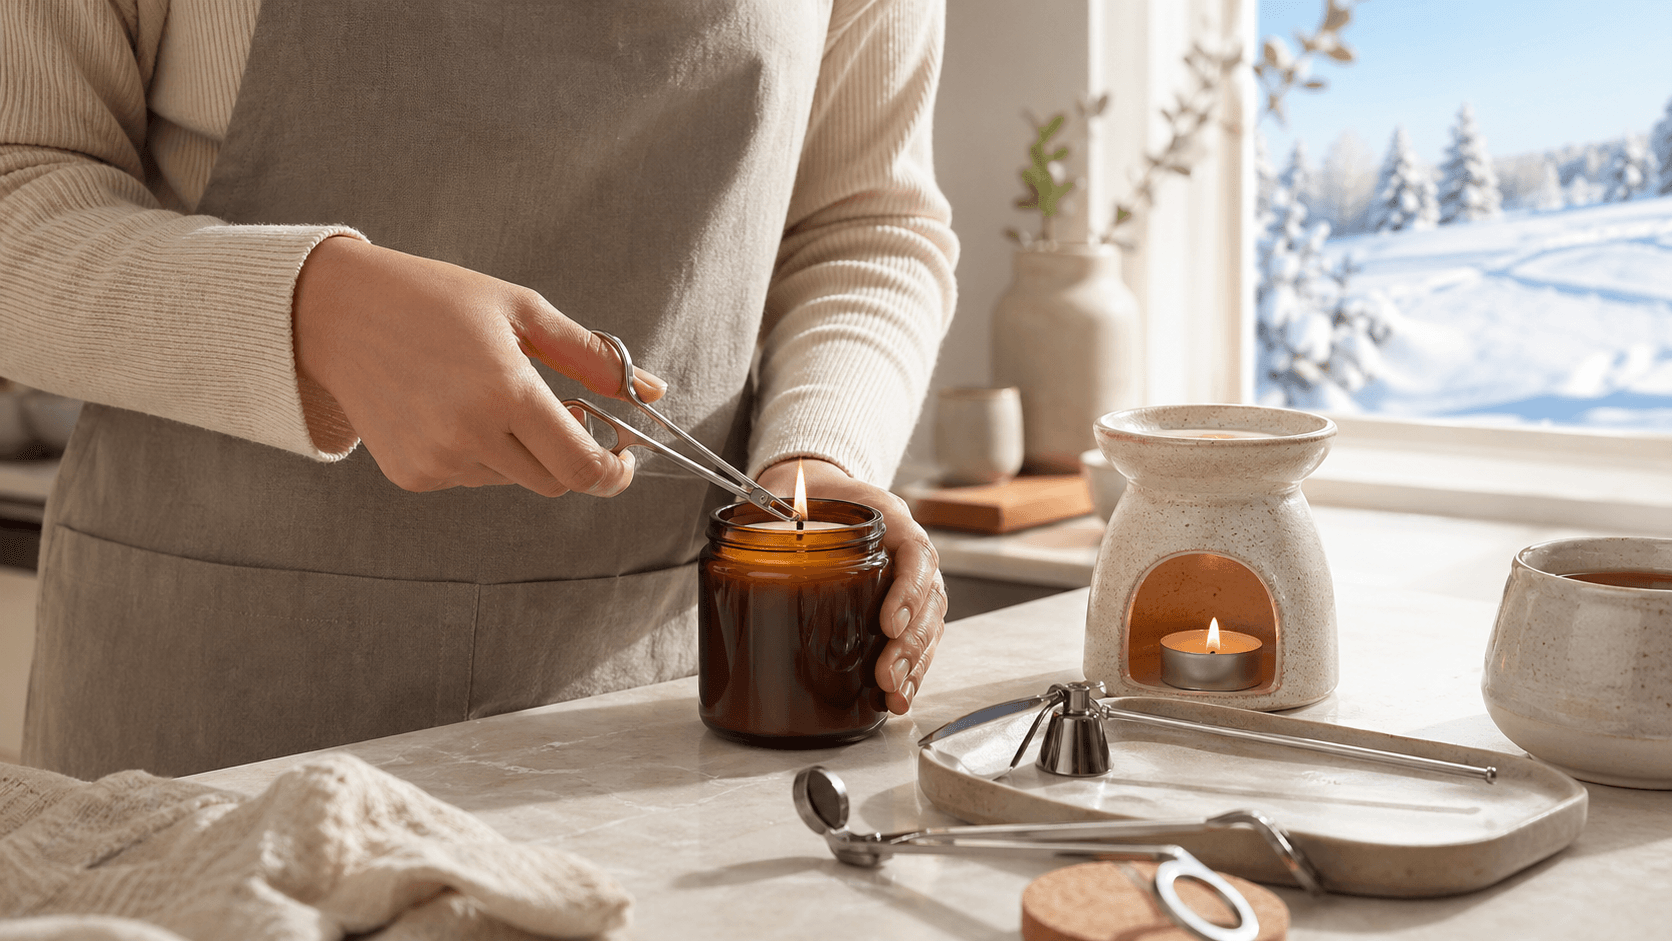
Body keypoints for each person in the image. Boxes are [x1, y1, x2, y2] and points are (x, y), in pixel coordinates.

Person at [0, 0, 958, 778]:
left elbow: (863, 227)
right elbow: (18, 189)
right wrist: (313, 311)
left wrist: (819, 460)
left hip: (647, 721)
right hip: (206, 715)